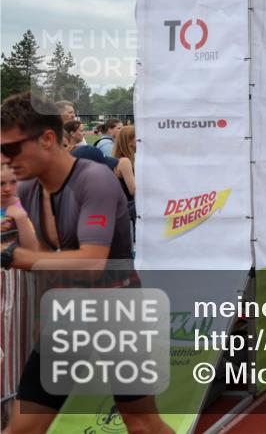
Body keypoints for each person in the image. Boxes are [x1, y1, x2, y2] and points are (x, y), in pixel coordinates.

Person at [0, 92, 172, 434]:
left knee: (142, 424)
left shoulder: (94, 180)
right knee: (23, 429)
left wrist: (14, 256)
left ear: (48, 139)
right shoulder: (30, 187)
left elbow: (91, 262)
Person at [112, 125, 138, 245]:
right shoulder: (125, 161)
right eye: (137, 138)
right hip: (128, 209)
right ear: (129, 141)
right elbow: (133, 190)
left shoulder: (124, 159)